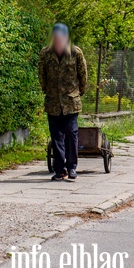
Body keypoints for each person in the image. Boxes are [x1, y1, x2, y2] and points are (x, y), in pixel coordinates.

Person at [38, 23, 87, 181]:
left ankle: (72, 167)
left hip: (71, 102)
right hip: (53, 102)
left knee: (71, 134)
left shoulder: (75, 52)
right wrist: (45, 89)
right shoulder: (45, 53)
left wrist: (81, 91)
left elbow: (83, 74)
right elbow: (41, 73)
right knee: (56, 136)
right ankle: (60, 169)